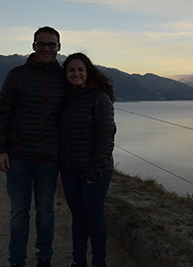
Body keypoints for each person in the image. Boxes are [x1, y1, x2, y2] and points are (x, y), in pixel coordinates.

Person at [0, 26, 66, 267]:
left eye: (51, 44)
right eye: (41, 44)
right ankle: (17, 260)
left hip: (50, 157)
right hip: (18, 155)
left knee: (45, 211)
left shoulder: (64, 77)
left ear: (58, 48)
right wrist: (0, 149)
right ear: (33, 46)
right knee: (19, 213)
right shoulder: (17, 75)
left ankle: (44, 258)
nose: (46, 48)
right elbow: (2, 112)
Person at [59, 53, 116, 267]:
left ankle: (99, 262)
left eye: (80, 69)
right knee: (78, 216)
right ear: (66, 74)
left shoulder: (99, 97)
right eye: (71, 70)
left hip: (95, 169)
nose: (76, 73)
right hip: (69, 168)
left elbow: (106, 137)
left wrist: (96, 170)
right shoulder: (64, 98)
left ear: (88, 72)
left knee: (93, 215)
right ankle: (78, 261)